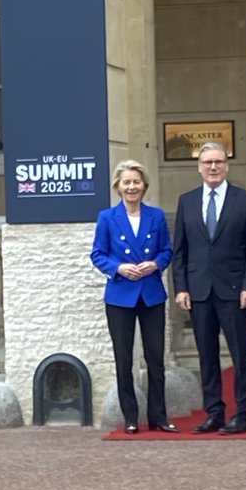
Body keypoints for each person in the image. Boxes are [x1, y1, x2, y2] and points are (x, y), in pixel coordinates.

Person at [172, 141, 246, 434]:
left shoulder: (245, 200)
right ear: (199, 167)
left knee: (240, 354)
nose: (213, 167)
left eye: (218, 162)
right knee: (206, 355)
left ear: (227, 165)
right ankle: (214, 413)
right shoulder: (187, 201)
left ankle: (243, 414)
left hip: (235, 291)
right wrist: (181, 287)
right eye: (207, 162)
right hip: (199, 291)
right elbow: (180, 251)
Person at [90, 160, 178, 434]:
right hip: (120, 295)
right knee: (123, 359)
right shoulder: (107, 217)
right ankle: (130, 417)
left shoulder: (156, 215)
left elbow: (166, 251)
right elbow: (97, 254)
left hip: (151, 293)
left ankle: (158, 416)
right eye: (126, 182)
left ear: (144, 186)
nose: (131, 187)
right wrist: (118, 268)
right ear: (117, 186)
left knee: (155, 359)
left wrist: (155, 264)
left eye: (136, 182)